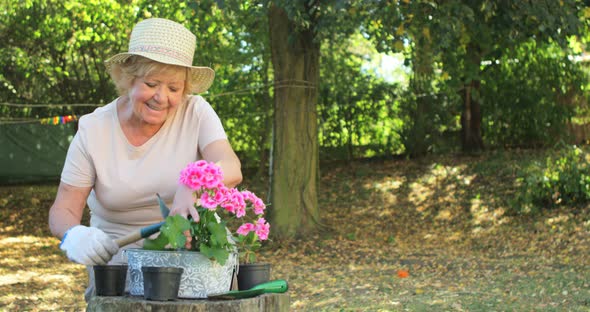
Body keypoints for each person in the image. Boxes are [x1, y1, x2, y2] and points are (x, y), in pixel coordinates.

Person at [48, 18, 242, 300]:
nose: (161, 98)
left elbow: (231, 167)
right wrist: (74, 235)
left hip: (193, 253)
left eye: (174, 88)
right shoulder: (94, 129)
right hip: (119, 261)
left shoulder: (196, 112)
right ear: (129, 79)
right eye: (151, 84)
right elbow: (62, 210)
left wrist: (192, 184)